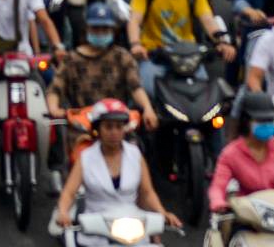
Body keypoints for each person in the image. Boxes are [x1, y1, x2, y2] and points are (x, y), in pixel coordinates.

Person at [54, 100, 180, 233]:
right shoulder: (86, 157)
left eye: (119, 127)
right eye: (108, 127)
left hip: (133, 226)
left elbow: (147, 193)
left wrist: (162, 213)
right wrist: (63, 212)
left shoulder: (135, 155)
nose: (114, 132)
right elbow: (69, 193)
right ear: (98, 129)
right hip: (95, 229)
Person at [208, 91, 274, 217]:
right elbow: (218, 186)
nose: (266, 124)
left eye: (270, 120)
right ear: (246, 121)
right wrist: (217, 201)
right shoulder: (230, 154)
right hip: (247, 217)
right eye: (260, 120)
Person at [53, 3, 153, 125]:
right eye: (96, 28)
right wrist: (54, 108)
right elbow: (55, 89)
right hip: (82, 126)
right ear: (87, 28)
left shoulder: (122, 57)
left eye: (105, 28)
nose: (100, 32)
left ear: (113, 30)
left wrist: (147, 108)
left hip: (118, 125)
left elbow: (135, 87)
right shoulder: (71, 60)